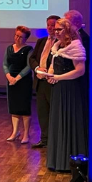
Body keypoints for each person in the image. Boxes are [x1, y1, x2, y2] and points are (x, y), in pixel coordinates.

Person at [44, 18, 88, 171]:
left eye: (59, 29)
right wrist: (50, 75)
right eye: (55, 29)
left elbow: (80, 71)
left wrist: (58, 77)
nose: (56, 32)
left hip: (70, 90)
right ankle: (58, 161)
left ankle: (71, 162)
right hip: (58, 89)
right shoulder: (57, 46)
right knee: (58, 121)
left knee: (69, 121)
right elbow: (52, 65)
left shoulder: (75, 46)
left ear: (68, 30)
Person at [31, 15, 60, 148]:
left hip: (52, 83)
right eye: (48, 25)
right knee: (42, 112)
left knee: (54, 113)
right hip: (40, 82)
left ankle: (56, 141)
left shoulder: (61, 43)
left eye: (53, 25)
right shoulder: (41, 41)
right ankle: (44, 139)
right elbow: (32, 59)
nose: (50, 27)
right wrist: (37, 68)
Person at [3, 26, 33, 143]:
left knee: (24, 108)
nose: (17, 38)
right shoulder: (9, 48)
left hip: (23, 81)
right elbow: (5, 64)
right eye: (16, 35)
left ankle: (26, 134)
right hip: (11, 81)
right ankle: (15, 132)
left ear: (25, 38)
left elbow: (29, 66)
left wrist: (17, 78)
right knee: (14, 107)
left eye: (20, 37)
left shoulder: (29, 49)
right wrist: (9, 77)